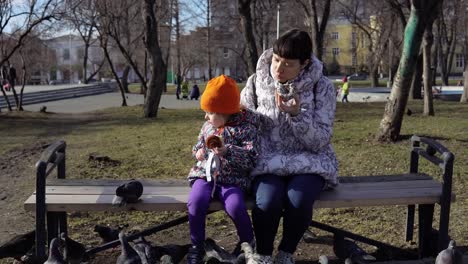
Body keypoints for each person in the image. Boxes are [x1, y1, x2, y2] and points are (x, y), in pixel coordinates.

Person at [240, 29, 338, 264]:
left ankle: (286, 254)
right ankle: (263, 255)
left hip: (309, 161)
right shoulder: (256, 82)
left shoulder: (322, 87)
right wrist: (246, 120)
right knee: (268, 200)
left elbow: (320, 140)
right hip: (267, 161)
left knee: (299, 200)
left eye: (288, 64)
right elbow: (241, 127)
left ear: (304, 64)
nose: (278, 69)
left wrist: (297, 116)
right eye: (276, 60)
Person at [187, 75, 259, 264]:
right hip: (204, 177)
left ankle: (248, 243)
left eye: (209, 112)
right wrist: (199, 152)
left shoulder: (246, 129)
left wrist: (228, 151)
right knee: (196, 202)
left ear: (224, 112)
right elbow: (197, 145)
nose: (205, 116)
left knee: (236, 206)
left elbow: (251, 158)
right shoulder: (208, 126)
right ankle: (197, 246)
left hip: (232, 180)